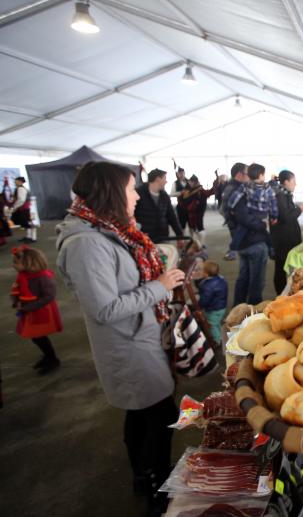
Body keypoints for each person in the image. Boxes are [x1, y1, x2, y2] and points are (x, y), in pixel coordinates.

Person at [56, 161, 185, 514]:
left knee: (142, 413)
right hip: (126, 345)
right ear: (111, 193)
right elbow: (105, 308)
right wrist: (158, 288)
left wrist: (159, 265)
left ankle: (145, 475)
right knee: (159, 416)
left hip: (140, 336)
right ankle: (157, 487)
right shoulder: (86, 242)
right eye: (131, 189)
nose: (136, 197)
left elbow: (124, 276)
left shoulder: (111, 230)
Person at [229, 163, 276, 305]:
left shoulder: (242, 190)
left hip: (244, 242)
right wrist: (264, 224)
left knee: (244, 277)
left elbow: (233, 210)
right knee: (256, 280)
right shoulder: (261, 189)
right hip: (255, 242)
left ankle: (239, 307)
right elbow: (244, 217)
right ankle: (252, 310)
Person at [11, 246, 62, 374]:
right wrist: (16, 301)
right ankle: (48, 356)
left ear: (28, 263)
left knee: (39, 336)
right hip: (29, 310)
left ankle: (52, 359)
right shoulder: (23, 276)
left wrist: (26, 307)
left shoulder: (42, 277)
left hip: (40, 311)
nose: (13, 266)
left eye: (16, 263)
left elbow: (49, 296)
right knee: (36, 336)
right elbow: (17, 290)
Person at [272, 170, 303, 294]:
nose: (295, 184)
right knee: (281, 267)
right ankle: (281, 294)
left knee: (283, 267)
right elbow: (286, 217)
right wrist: (299, 209)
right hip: (282, 240)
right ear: (286, 182)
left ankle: (285, 291)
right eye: (294, 182)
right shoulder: (280, 195)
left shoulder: (284, 194)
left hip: (286, 238)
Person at [134, 169, 183, 243]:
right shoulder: (138, 193)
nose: (166, 182)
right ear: (157, 180)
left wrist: (180, 236)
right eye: (164, 178)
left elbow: (172, 217)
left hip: (163, 237)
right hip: (144, 239)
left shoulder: (164, 196)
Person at [220, 163, 249, 261]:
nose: (249, 176)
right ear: (240, 174)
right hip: (238, 225)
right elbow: (225, 209)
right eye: (247, 173)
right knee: (246, 255)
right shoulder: (234, 188)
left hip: (237, 225)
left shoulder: (235, 186)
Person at [180, 174, 218, 248]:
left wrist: (216, 181)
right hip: (191, 213)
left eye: (190, 182)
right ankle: (197, 244)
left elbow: (211, 191)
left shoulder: (200, 190)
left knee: (199, 228)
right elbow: (182, 200)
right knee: (193, 228)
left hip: (198, 212)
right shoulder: (189, 191)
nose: (189, 183)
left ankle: (201, 244)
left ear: (194, 182)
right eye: (189, 182)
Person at [197, 260, 227, 345]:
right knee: (216, 323)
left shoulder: (208, 286)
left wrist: (200, 305)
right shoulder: (221, 279)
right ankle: (220, 336)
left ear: (206, 274)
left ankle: (217, 340)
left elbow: (205, 300)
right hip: (221, 307)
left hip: (213, 309)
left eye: (202, 270)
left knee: (212, 325)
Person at [10, 176, 37, 243]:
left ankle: (32, 238)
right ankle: (29, 237)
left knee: (27, 222)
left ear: (20, 182)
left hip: (24, 208)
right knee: (26, 222)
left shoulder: (21, 189)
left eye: (16, 181)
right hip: (25, 208)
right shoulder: (21, 188)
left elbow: (21, 200)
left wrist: (15, 207)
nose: (15, 182)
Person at [170, 166, 190, 233]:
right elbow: (171, 194)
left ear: (184, 173)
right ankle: (183, 239)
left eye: (182, 173)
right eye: (179, 173)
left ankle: (193, 240)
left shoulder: (190, 181)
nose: (181, 175)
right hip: (181, 207)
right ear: (178, 174)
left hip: (191, 206)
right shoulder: (175, 183)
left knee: (192, 225)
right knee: (182, 225)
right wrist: (180, 192)